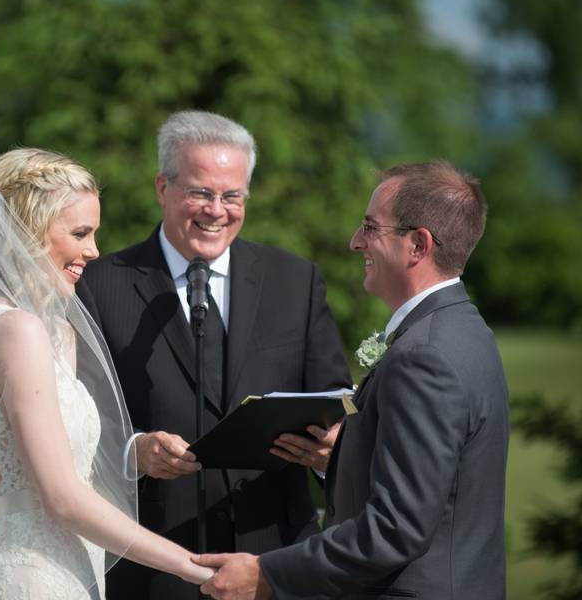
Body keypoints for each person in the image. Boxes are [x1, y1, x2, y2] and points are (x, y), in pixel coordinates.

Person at [196, 161, 510, 599]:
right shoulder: (467, 330)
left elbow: (397, 528)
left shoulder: (423, 355)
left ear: (417, 245)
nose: (354, 241)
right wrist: (345, 460)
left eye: (370, 227)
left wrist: (268, 573)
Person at [76, 111, 352, 600]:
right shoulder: (100, 285)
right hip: (151, 566)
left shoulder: (295, 280)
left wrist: (331, 451)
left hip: (273, 560)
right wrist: (134, 451)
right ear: (163, 187)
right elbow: (73, 422)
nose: (216, 210)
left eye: (232, 196)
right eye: (201, 192)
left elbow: (336, 399)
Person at [0, 148, 214, 600]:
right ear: (26, 231)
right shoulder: (18, 332)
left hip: (67, 568)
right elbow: (62, 496)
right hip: (32, 575)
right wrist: (192, 567)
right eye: (80, 233)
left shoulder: (45, 331)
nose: (93, 251)